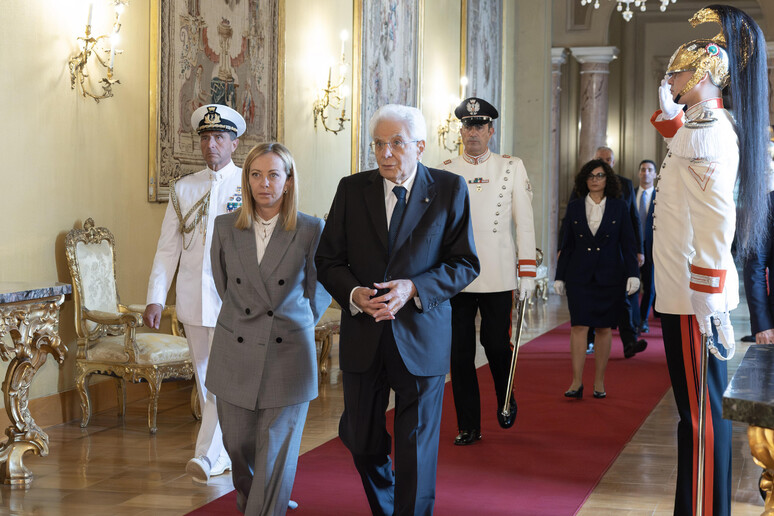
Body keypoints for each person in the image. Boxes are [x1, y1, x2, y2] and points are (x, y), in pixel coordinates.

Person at [315, 104, 479, 515]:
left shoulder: (449, 189)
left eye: (396, 143)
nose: (385, 153)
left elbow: (465, 263)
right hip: (364, 337)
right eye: (378, 144)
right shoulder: (351, 189)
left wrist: (414, 287)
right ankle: (388, 505)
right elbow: (328, 260)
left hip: (421, 335)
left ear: (420, 146)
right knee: (361, 441)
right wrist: (354, 293)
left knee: (416, 450)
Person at [650, 5, 769, 514]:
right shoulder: (698, 125)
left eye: (676, 72)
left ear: (700, 75)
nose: (669, 79)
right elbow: (681, 147)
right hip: (683, 290)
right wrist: (669, 115)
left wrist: (705, 294)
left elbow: (715, 222)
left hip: (693, 296)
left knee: (700, 417)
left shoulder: (708, 132)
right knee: (694, 414)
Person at [208, 142, 330, 515]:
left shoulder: (311, 229)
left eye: (273, 175)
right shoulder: (225, 227)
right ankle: (257, 498)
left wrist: (296, 320)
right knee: (237, 444)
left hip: (288, 350)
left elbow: (320, 286)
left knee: (275, 449)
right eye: (256, 175)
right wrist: (247, 318)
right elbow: (224, 283)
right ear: (247, 180)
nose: (264, 183)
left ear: (288, 181)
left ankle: (266, 506)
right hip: (235, 348)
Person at [144, 104, 245, 482]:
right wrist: (156, 296)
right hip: (192, 298)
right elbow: (167, 248)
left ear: (234, 143)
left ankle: (207, 455)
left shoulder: (248, 184)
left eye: (219, 137)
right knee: (204, 379)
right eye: (205, 138)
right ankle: (226, 450)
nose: (211, 145)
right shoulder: (184, 188)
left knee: (222, 378)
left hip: (233, 300)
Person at [437, 97, 536, 446]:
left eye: (479, 126)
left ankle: (506, 397)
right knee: (460, 353)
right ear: (461, 132)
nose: (473, 132)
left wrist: (527, 273)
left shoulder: (511, 166)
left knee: (495, 344)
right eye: (467, 126)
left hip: (497, 273)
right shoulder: (445, 170)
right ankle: (468, 425)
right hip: (456, 276)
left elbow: (524, 222)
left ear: (491, 131)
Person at [554, 159, 639, 399]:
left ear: (607, 179)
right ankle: (576, 382)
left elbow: (628, 244)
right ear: (584, 179)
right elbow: (566, 246)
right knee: (578, 326)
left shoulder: (619, 207)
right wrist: (559, 277)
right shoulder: (574, 207)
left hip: (609, 276)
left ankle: (599, 382)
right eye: (591, 175)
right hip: (579, 276)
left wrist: (633, 273)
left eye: (600, 175)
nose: (595, 179)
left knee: (603, 328)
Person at [563, 146, 646, 358]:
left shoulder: (625, 185)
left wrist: (638, 250)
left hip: (615, 253)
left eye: (608, 159)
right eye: (601, 159)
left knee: (623, 298)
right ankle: (589, 341)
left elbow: (634, 220)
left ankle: (629, 342)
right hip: (586, 256)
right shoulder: (583, 184)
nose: (605, 162)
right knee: (588, 299)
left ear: (613, 162)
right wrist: (561, 250)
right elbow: (569, 221)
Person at [635, 159, 657, 333]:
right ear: (638, 173)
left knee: (649, 286)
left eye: (649, 170)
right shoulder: (630, 193)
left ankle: (643, 319)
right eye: (643, 169)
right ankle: (632, 318)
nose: (646, 173)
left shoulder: (661, 197)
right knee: (631, 285)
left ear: (655, 174)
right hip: (632, 247)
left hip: (652, 247)